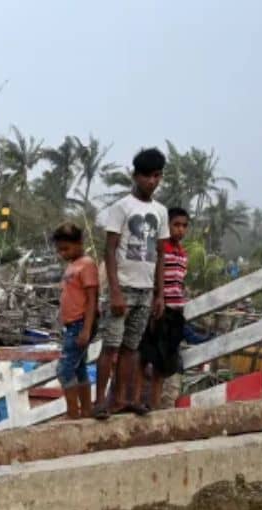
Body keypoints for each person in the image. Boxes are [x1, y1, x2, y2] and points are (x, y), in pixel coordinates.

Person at [94, 148, 169, 419]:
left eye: (157, 176)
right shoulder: (121, 207)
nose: (152, 181)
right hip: (122, 287)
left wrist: (159, 294)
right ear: (136, 176)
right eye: (147, 176)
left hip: (145, 289)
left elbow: (161, 254)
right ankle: (101, 401)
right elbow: (109, 250)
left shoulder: (160, 212)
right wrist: (114, 291)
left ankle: (125, 399)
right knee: (111, 346)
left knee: (132, 348)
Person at [141, 207, 191, 410]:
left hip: (175, 312)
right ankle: (142, 403)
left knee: (162, 366)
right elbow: (153, 279)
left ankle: (153, 406)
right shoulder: (161, 250)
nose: (180, 230)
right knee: (146, 359)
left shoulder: (182, 254)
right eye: (176, 225)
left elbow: (179, 283)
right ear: (167, 226)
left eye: (184, 226)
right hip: (159, 311)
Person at [53, 223, 99, 419]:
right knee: (79, 369)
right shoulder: (72, 265)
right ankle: (86, 410)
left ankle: (73, 413)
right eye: (60, 250)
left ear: (79, 243)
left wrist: (87, 329)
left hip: (81, 324)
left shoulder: (86, 264)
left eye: (66, 248)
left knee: (64, 370)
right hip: (72, 324)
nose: (63, 253)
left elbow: (91, 299)